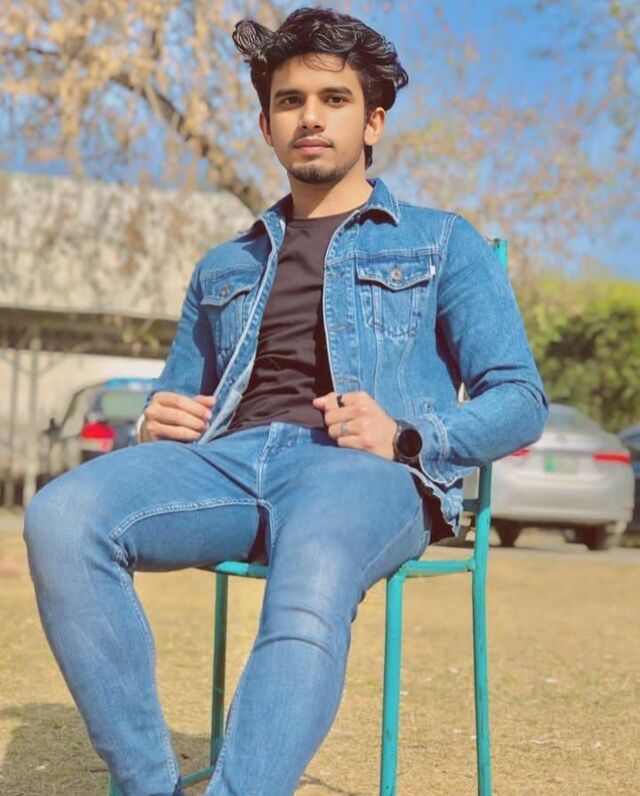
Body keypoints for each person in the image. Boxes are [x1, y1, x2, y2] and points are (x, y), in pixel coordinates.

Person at [24, 7, 548, 796]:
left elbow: (521, 399)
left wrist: (407, 436)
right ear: (266, 125)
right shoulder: (223, 265)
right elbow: (180, 392)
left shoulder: (442, 242)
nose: (310, 117)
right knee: (61, 518)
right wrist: (153, 421)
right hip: (230, 465)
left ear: (373, 121)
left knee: (316, 562)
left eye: (334, 99)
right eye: (290, 100)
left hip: (365, 474)